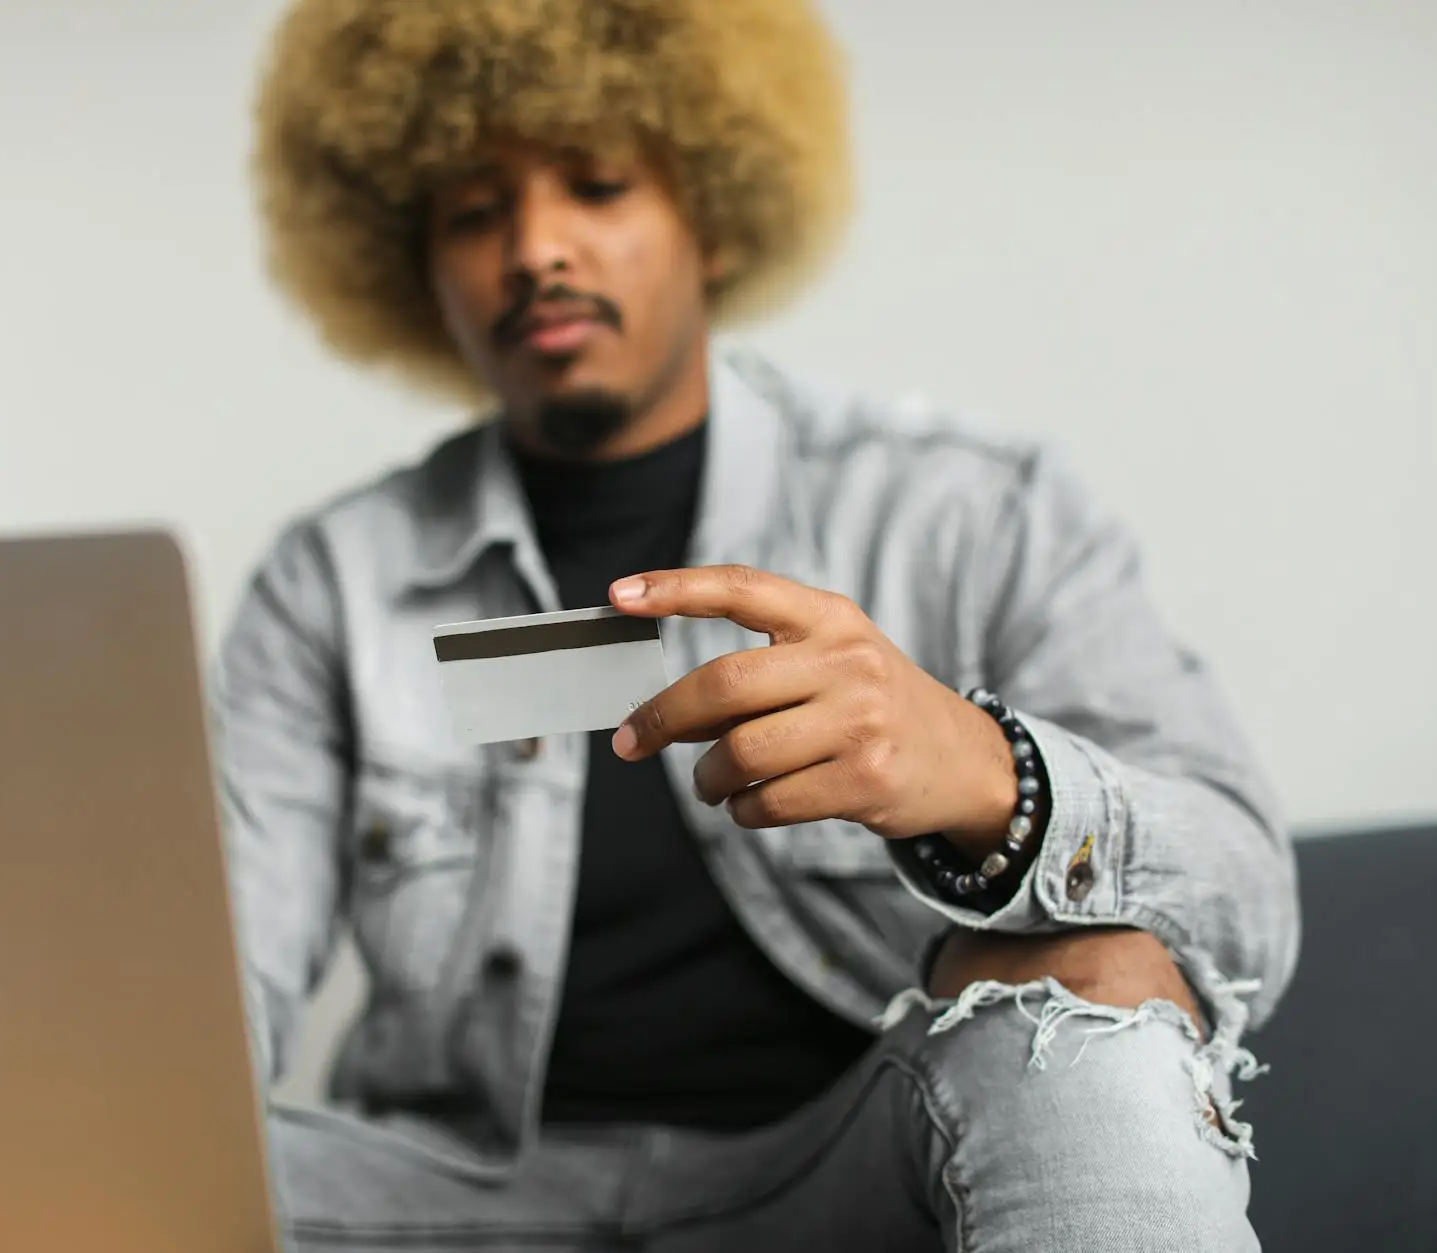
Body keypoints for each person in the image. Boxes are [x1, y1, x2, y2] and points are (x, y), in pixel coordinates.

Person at [217, 0, 1299, 1248]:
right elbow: (213, 988)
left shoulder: (964, 509)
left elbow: (1242, 905)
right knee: (80, 1148)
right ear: (416, 270)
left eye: (597, 184)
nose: (535, 249)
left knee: (1101, 989)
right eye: (473, 211)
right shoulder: (330, 583)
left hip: (844, 1182)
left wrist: (985, 778)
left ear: (714, 215)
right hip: (452, 1209)